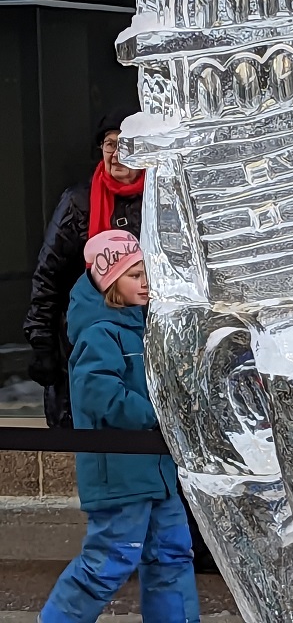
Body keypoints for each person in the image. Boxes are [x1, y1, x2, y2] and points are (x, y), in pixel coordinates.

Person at [40, 230, 200, 623]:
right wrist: (159, 414)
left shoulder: (141, 330)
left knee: (171, 556)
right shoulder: (99, 333)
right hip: (120, 475)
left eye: (146, 274)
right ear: (110, 282)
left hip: (156, 473)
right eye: (134, 275)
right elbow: (100, 395)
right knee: (108, 562)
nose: (145, 283)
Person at [24, 107, 144, 429]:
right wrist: (42, 343)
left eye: (127, 144)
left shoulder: (162, 197)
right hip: (88, 340)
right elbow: (48, 277)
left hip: (145, 341)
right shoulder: (79, 202)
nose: (116, 154)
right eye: (110, 144)